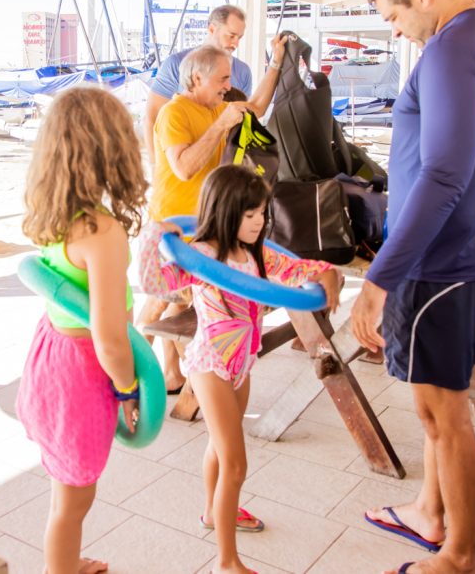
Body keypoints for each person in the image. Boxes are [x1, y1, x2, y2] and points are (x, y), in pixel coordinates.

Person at [349, 0, 475, 574]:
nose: (399, 32)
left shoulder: (451, 48)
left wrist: (381, 276)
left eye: (395, 17)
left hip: (438, 266)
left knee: (441, 413)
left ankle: (459, 557)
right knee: (443, 400)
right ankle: (431, 512)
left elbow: (446, 173)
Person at [140, 166, 341, 574]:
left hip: (242, 362)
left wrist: (328, 273)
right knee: (236, 463)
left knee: (218, 447)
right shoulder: (201, 254)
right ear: (226, 210)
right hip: (210, 363)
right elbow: (154, 283)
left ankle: (215, 512)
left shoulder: (257, 252)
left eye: (263, 213)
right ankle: (226, 562)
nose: (259, 221)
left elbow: (300, 269)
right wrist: (153, 235)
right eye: (250, 214)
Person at [16, 86, 147, 574]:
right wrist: (130, 388)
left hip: (52, 354)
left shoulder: (58, 213)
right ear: (110, 150)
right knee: (75, 500)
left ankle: (66, 562)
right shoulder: (102, 230)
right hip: (82, 369)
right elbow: (111, 337)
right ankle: (59, 569)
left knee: (64, 490)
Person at [147, 41, 285, 393]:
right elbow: (183, 168)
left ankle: (173, 375)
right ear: (197, 78)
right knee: (162, 304)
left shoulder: (216, 106)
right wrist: (220, 124)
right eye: (223, 79)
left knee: (177, 301)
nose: (228, 85)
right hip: (174, 226)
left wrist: (276, 62)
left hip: (204, 228)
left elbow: (255, 106)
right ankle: (130, 379)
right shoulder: (174, 113)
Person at [143, 5, 254, 162]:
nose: (235, 44)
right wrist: (156, 168)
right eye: (231, 36)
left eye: (239, 38)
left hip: (222, 171)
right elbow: (152, 117)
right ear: (211, 29)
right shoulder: (176, 64)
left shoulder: (243, 72)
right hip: (181, 164)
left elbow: (242, 125)